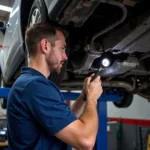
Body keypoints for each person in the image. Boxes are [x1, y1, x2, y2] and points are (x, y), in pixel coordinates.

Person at [7, 22, 103, 150]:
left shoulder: (29, 84)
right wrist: (92, 99)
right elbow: (86, 141)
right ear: (45, 45)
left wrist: (84, 97)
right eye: (62, 48)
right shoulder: (35, 86)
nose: (65, 56)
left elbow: (64, 121)